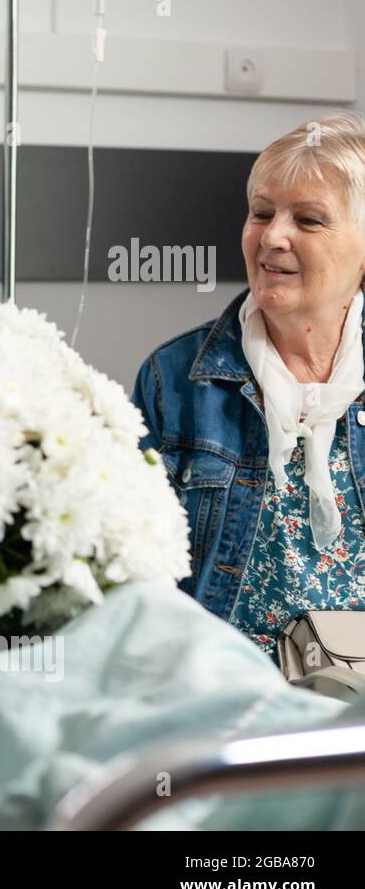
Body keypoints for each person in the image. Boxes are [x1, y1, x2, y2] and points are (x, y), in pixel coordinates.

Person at [132, 111, 365, 659]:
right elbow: (128, 573)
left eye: (308, 220)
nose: (273, 236)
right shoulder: (176, 379)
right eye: (261, 213)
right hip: (219, 695)